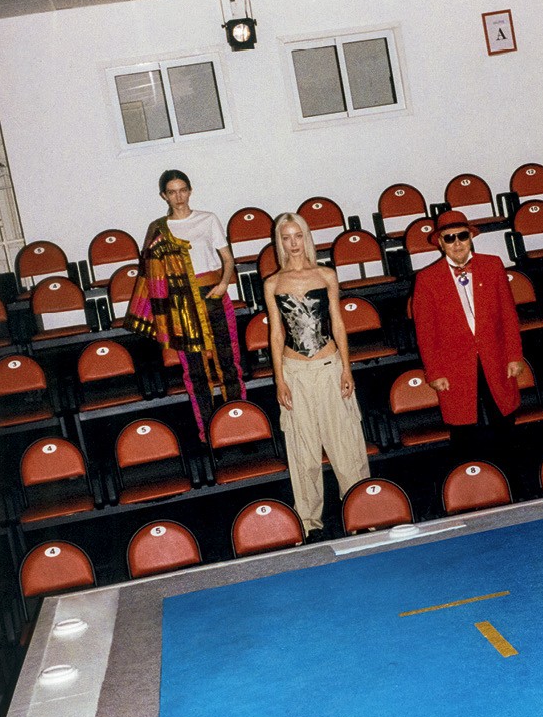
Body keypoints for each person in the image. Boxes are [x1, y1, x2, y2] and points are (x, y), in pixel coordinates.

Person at [264, 212, 369, 541]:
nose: (293, 243)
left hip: (329, 367)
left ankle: (363, 512)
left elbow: (337, 322)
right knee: (303, 451)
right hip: (295, 372)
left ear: (306, 237)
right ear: (279, 242)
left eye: (298, 236)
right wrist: (280, 379)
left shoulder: (326, 275)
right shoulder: (272, 283)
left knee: (346, 445)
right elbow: (276, 334)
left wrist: (346, 368)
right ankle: (309, 523)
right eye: (286, 238)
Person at [125, 169, 245, 441]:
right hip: (181, 304)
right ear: (164, 196)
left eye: (182, 190)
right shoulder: (158, 229)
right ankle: (209, 433)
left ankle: (240, 424)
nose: (179, 197)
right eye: (172, 192)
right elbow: (151, 272)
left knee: (229, 362)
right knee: (195, 371)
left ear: (190, 191)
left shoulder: (208, 219)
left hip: (213, 294)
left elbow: (228, 259)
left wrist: (224, 284)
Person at [412, 210, 524, 464]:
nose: (457, 243)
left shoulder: (493, 265)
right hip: (454, 366)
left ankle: (511, 478)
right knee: (463, 431)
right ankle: (471, 480)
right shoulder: (426, 279)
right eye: (449, 238)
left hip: (495, 358)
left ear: (471, 237)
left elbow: (508, 315)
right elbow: (425, 333)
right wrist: (434, 372)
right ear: (441, 243)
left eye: (462, 236)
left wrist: (514, 355)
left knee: (505, 423)